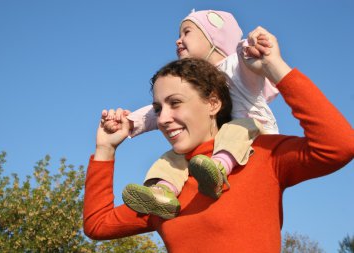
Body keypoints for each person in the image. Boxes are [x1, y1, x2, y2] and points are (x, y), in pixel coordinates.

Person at [83, 27, 354, 252]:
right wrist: (105, 149)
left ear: (213, 103)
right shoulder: (163, 194)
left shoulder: (261, 155)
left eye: (175, 103)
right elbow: (97, 225)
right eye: (157, 109)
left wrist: (275, 66)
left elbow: (339, 146)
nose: (163, 119)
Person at [104, 10, 278, 219]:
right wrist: (130, 123)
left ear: (216, 36)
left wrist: (252, 48)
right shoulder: (193, 80)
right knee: (175, 156)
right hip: (217, 145)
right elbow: (161, 109)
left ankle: (219, 170)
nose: (178, 40)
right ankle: (163, 192)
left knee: (236, 127)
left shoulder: (236, 66)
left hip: (255, 136)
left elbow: (250, 64)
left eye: (186, 32)